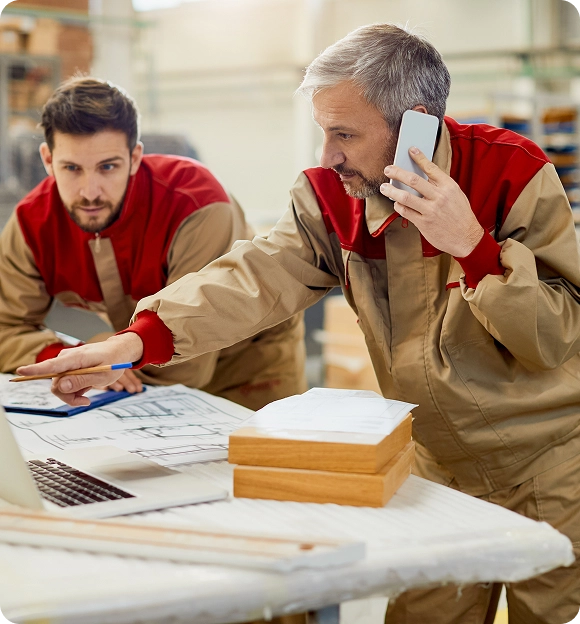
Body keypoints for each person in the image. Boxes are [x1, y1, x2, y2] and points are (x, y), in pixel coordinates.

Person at [19, 25, 580, 624]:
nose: (327, 155)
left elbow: (556, 337)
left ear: (414, 123)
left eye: (343, 134)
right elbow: (255, 276)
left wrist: (472, 247)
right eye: (323, 132)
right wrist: (137, 340)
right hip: (435, 467)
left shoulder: (511, 172)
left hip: (548, 467)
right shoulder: (331, 196)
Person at [1, 76, 307, 411]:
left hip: (247, 366)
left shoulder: (197, 205)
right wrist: (67, 358)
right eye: (72, 168)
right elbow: (4, 328)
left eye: (108, 167)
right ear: (48, 160)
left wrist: (107, 356)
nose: (89, 192)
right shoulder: (33, 223)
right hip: (134, 365)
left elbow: (187, 364)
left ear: (134, 157)